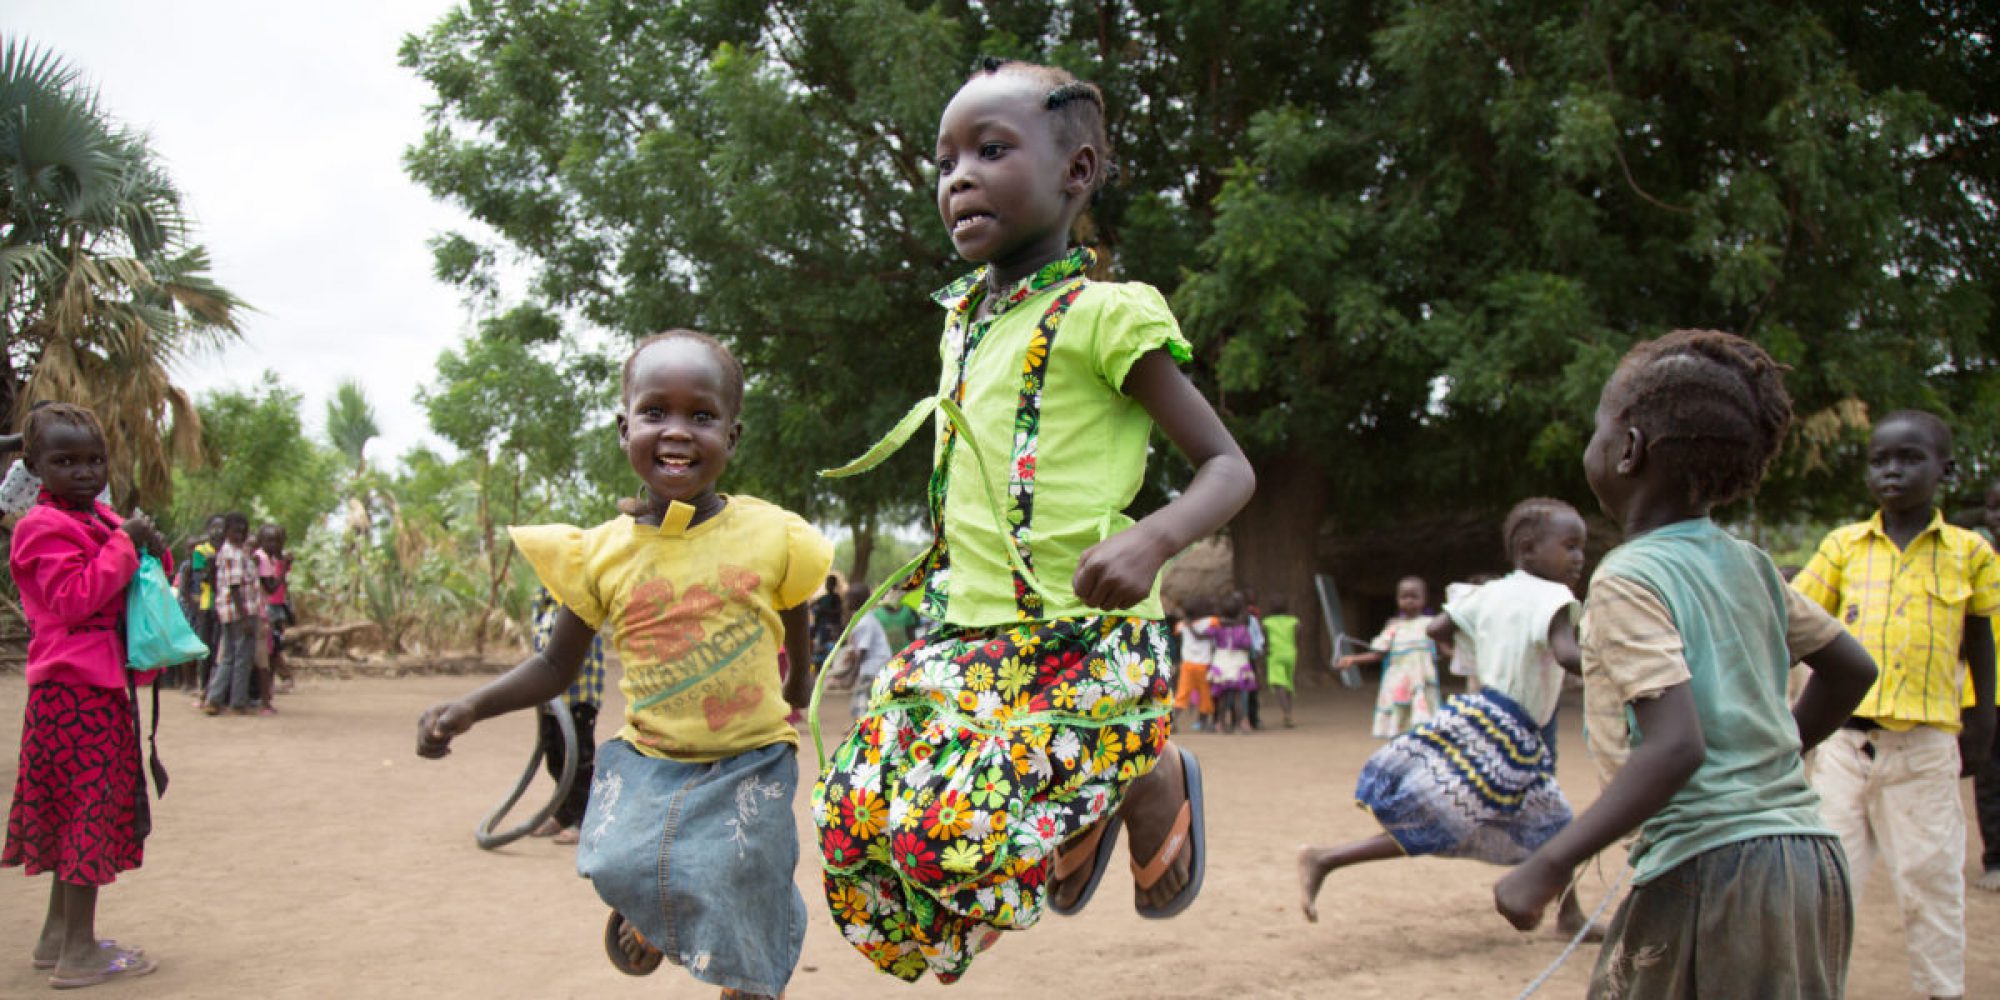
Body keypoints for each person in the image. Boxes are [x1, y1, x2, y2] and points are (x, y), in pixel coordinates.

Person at [810, 57, 1256, 984]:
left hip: (1082, 644)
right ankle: (1076, 813)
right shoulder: (961, 323)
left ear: (1077, 172)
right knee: (855, 812)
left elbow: (1229, 468)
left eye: (990, 149)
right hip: (964, 642)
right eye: (944, 162)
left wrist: (1154, 536)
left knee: (956, 837)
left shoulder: (1105, 316)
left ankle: (1147, 774)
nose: (958, 176)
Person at [418, 331, 832, 999]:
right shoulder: (600, 554)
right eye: (655, 413)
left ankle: (748, 982)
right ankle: (651, 915)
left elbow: (795, 609)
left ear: (734, 436)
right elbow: (555, 667)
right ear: (624, 427)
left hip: (751, 751)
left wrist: (799, 683)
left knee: (745, 871)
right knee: (618, 860)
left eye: (701, 416)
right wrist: (471, 707)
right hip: (652, 754)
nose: (677, 432)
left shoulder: (770, 536)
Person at [1494, 330, 1878, 998]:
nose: (1592, 443)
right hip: (1808, 859)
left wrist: (1550, 862)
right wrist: (1773, 753)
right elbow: (1852, 669)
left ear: (1629, 449)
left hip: (1713, 871)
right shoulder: (1750, 564)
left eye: (1598, 427)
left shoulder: (1627, 576)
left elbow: (1675, 748)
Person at [1298, 497, 1599, 931]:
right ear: (1529, 547)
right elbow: (1569, 656)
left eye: (1581, 548)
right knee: (1438, 821)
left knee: (1556, 824)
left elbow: (1440, 628)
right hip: (1506, 733)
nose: (1579, 558)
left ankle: (1570, 916)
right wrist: (1613, 662)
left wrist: (1484, 652)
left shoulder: (1489, 593)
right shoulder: (1554, 597)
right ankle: (1325, 858)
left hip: (1497, 722)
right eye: (1570, 546)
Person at [1790, 409, 1998, 1000]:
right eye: (1880, 460)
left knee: (1929, 882)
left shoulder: (1970, 553)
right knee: (1830, 880)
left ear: (1946, 470)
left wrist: (1983, 718)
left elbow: (1982, 638)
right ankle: (1816, 988)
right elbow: (1794, 622)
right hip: (1842, 747)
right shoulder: (1843, 547)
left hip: (1925, 749)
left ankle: (1941, 991)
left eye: (1910, 459)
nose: (1893, 472)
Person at [3, 402, 167, 987]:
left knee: (77, 814)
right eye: (64, 461)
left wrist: (146, 546)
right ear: (35, 467)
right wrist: (126, 544)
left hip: (95, 692)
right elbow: (75, 597)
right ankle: (80, 952)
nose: (83, 471)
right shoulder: (40, 528)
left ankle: (55, 935)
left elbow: (132, 576)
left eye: (94, 460)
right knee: (87, 818)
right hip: (76, 695)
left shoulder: (94, 519)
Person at [523, 587, 606, 846]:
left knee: (578, 760)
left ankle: (584, 820)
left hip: (578, 695)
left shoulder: (577, 594)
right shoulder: (541, 599)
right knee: (555, 758)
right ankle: (563, 813)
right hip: (550, 698)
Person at [1339, 576, 1442, 737]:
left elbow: (1445, 649)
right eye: (1404, 597)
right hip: (1397, 683)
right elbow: (1378, 653)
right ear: (1397, 599)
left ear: (1425, 599)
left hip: (1421, 683)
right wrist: (1353, 659)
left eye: (1414, 596)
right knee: (1398, 721)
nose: (1409, 601)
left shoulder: (1432, 624)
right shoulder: (1394, 626)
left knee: (1423, 722)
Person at [201, 512, 261, 716]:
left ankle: (214, 699)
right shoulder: (234, 554)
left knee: (228, 656)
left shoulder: (232, 551)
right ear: (227, 532)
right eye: (236, 531)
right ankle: (237, 702)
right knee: (241, 657)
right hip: (240, 612)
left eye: (244, 531)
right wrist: (244, 618)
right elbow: (235, 587)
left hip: (228, 611)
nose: (241, 534)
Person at [1202, 593, 1259, 735]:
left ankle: (1220, 724)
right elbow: (1247, 644)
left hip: (1221, 661)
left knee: (1221, 696)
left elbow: (1206, 633)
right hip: (1238, 662)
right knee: (1239, 696)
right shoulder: (1241, 628)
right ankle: (1240, 724)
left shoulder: (1218, 627)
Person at [838, 587, 893, 721]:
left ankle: (861, 727)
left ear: (858, 601)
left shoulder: (864, 622)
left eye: (849, 599)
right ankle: (864, 727)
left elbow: (863, 651)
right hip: (876, 664)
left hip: (873, 666)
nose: (846, 603)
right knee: (868, 698)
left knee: (862, 698)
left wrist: (852, 674)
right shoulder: (863, 618)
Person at [1172, 598, 1217, 732]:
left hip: (1187, 665)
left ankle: (1172, 722)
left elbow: (1176, 630)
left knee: (1182, 694)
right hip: (1204, 665)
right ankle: (1203, 722)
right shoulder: (1210, 622)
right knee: (1205, 694)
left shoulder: (1182, 625)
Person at [1260, 598, 1299, 728]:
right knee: (1288, 683)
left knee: (1278, 684)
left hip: (1275, 654)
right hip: (1290, 654)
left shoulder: (1267, 622)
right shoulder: (1294, 621)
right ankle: (1288, 713)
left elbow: (1264, 640)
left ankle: (1286, 712)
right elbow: (1298, 635)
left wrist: (1265, 649)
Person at [809, 573, 845, 666]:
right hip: (819, 626)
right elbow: (811, 605)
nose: (828, 585)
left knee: (825, 649)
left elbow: (838, 611)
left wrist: (823, 610)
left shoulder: (836, 598)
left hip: (829, 627)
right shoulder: (823, 597)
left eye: (830, 583)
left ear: (834, 585)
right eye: (827, 583)